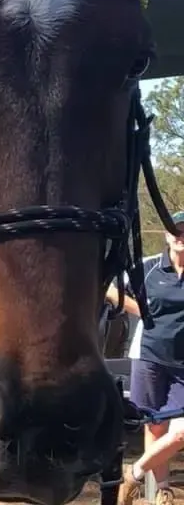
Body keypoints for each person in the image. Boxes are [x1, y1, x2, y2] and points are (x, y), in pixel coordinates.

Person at [107, 212, 184, 505]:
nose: (180, 237)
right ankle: (162, 492)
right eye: (175, 231)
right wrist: (140, 310)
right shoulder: (148, 267)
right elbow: (111, 289)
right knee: (155, 427)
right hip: (149, 359)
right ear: (167, 236)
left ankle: (134, 474)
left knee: (180, 433)